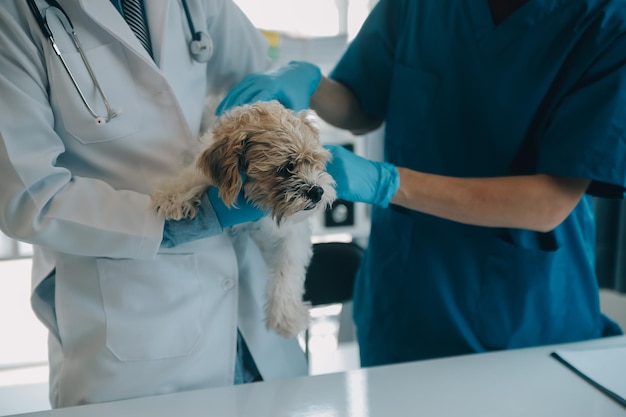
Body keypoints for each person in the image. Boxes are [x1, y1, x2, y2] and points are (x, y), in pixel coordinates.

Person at [217, 0, 626, 367]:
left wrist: (387, 183)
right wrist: (311, 83)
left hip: (522, 315)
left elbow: (548, 202)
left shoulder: (607, 21)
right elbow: (361, 104)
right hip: (402, 299)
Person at [0, 0, 307, 408]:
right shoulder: (15, 15)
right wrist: (189, 220)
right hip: (138, 338)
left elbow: (258, 69)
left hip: (254, 335)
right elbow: (28, 198)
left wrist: (280, 84)